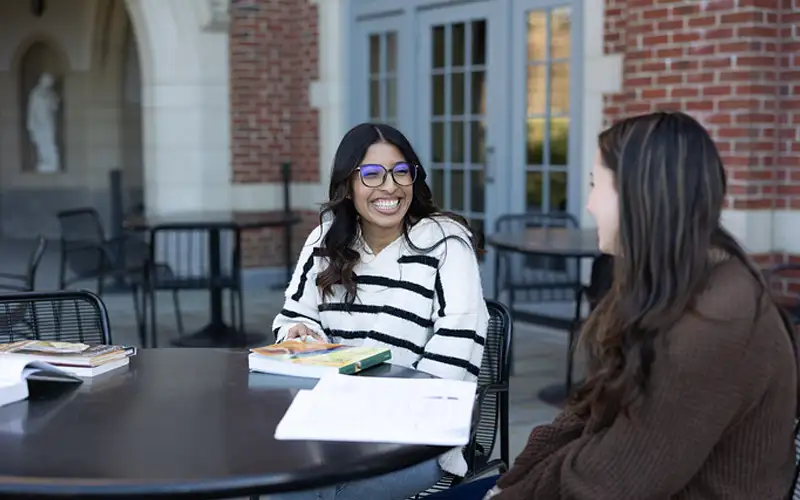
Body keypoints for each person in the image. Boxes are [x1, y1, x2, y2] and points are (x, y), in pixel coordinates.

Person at [427, 111, 799, 500]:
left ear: (640, 195)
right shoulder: (678, 283)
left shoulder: (717, 321)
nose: (587, 205)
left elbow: (607, 486)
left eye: (594, 185)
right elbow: (589, 411)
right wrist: (513, 482)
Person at [271, 122, 489, 500]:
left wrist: (383, 413)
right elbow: (294, 316)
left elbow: (458, 340)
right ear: (348, 185)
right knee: (285, 486)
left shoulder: (445, 244)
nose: (389, 186)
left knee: (326, 494)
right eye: (371, 174)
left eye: (401, 171)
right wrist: (299, 334)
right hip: (329, 426)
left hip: (415, 437)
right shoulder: (325, 238)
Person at [26, 72, 60, 173]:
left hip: (48, 122)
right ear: (42, 81)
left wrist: (54, 99)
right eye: (47, 82)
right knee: (41, 143)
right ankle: (44, 161)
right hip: (38, 123)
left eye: (50, 83)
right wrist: (31, 125)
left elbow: (55, 107)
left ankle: (51, 162)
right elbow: (31, 110)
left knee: (50, 141)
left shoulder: (51, 94)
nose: (48, 84)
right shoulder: (34, 94)